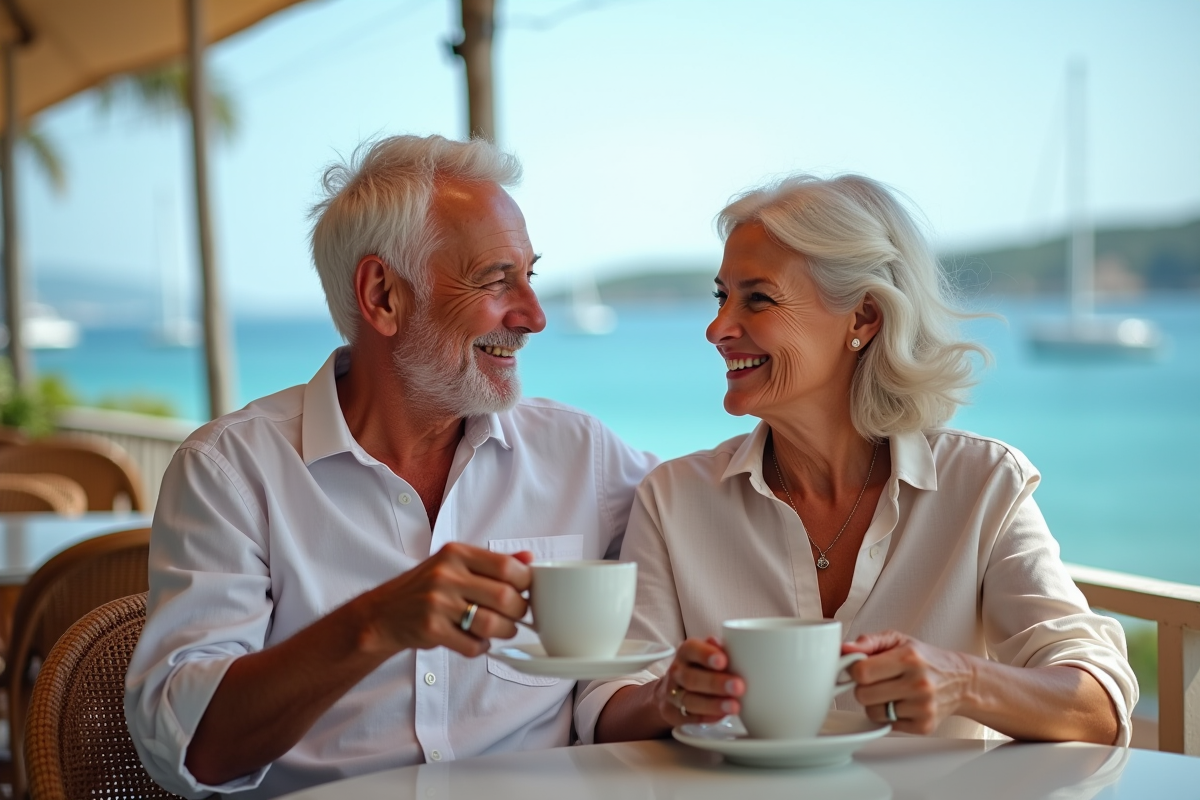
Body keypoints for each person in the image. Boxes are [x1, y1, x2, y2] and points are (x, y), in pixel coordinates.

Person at [125, 134, 657, 799]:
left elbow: (714, 509)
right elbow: (190, 749)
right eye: (497, 280)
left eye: (530, 275)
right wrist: (373, 625)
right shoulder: (232, 472)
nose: (534, 316)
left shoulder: (581, 454)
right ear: (382, 295)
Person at [576, 174, 1136, 746]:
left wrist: (964, 681)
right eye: (722, 297)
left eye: (758, 298)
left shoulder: (983, 483)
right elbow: (605, 708)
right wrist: (668, 697)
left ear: (864, 318)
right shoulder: (673, 498)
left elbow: (1099, 705)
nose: (717, 328)